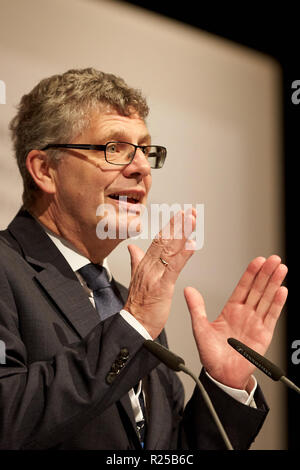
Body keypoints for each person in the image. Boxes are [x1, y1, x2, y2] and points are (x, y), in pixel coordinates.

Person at [0, 68, 288, 450]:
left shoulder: (126, 301)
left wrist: (224, 384)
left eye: (144, 150)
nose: (140, 168)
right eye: (113, 148)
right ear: (45, 170)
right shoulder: (9, 271)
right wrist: (131, 326)